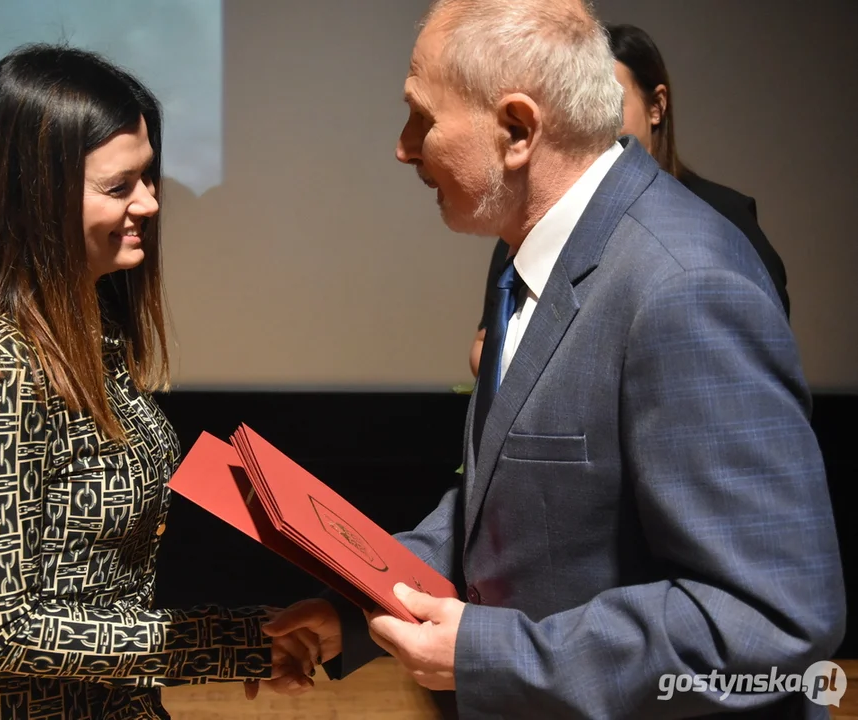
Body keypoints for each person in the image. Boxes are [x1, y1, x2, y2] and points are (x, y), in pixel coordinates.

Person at [260, 1, 845, 717]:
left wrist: (491, 653)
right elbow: (515, 510)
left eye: (422, 117)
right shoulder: (541, 259)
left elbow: (769, 619)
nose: (403, 147)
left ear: (516, 129)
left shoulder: (686, 287)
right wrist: (354, 609)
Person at [0, 45, 316, 720]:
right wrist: (221, 645)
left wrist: (254, 630)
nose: (150, 204)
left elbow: (97, 594)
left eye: (147, 179)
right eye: (119, 187)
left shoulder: (92, 333)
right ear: (34, 196)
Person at [468, 21, 791, 377]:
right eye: (583, 108)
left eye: (613, 104)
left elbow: (761, 355)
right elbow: (488, 346)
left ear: (657, 106)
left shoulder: (722, 216)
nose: (597, 124)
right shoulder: (534, 225)